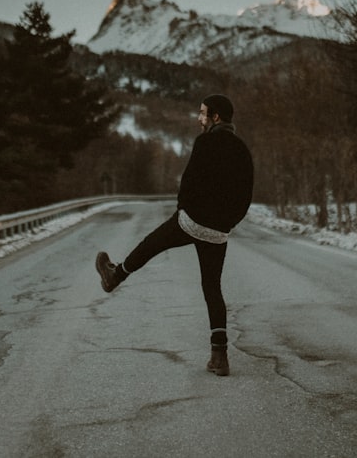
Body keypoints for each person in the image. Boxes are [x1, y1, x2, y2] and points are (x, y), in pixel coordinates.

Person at [96, 94, 254, 377]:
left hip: (192, 221)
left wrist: (184, 208)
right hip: (218, 231)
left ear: (216, 117)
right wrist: (229, 223)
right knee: (212, 288)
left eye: (203, 113)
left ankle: (115, 276)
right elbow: (246, 194)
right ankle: (219, 356)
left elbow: (190, 180)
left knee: (150, 245)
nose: (199, 118)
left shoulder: (205, 142)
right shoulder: (242, 149)